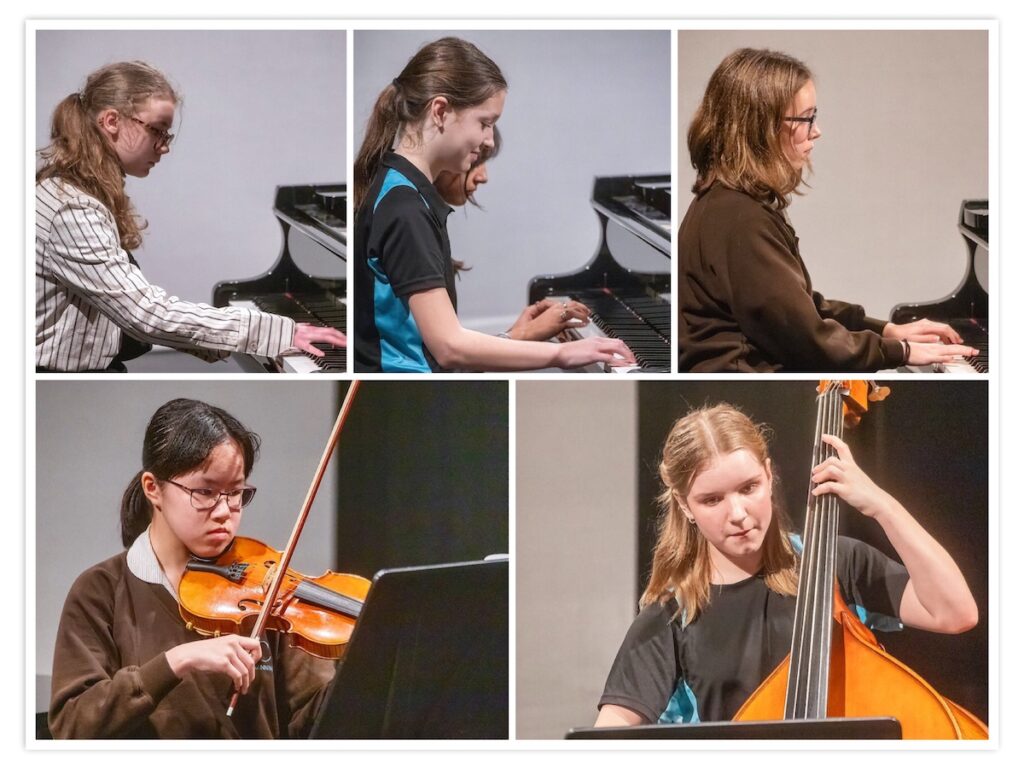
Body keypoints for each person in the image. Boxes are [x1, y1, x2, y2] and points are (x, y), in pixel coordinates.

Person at [595, 403, 978, 726]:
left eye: (749, 488)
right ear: (684, 506)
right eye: (712, 500)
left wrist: (881, 504)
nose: (738, 514)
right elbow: (608, 739)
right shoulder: (671, 616)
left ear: (768, 472)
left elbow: (955, 613)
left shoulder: (834, 561)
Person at [48, 399, 336, 738]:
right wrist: (175, 661)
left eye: (235, 493)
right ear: (153, 489)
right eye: (205, 492)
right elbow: (72, 725)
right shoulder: (101, 591)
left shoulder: (266, 591)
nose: (224, 511)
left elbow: (316, 723)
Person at [677, 48, 978, 372]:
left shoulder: (728, 204)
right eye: (806, 119)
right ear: (762, 127)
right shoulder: (740, 220)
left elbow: (799, 307)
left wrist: (885, 331)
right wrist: (899, 352)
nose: (816, 131)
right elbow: (807, 340)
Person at [36, 61, 346, 372]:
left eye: (166, 135)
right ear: (112, 121)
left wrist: (244, 338)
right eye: (157, 130)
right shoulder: (72, 209)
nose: (164, 147)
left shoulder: (71, 187)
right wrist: (273, 332)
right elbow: (146, 314)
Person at [353, 37, 634, 372]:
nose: (488, 139)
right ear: (440, 111)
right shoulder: (405, 208)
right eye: (485, 123)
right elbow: (449, 348)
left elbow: (427, 341)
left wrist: (516, 336)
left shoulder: (400, 188)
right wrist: (562, 355)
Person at [433, 128, 593, 344]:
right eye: (475, 158)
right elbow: (445, 361)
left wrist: (516, 335)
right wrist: (521, 336)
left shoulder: (423, 215)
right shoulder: (411, 221)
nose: (484, 177)